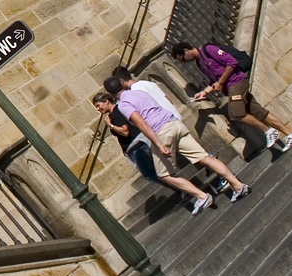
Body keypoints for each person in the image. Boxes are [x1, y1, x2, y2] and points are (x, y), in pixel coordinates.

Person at [104, 76, 251, 212]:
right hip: (173, 123)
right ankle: (238, 186)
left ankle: (202, 197)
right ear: (122, 83)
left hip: (161, 132)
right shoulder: (140, 92)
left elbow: (141, 123)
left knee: (164, 175)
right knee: (205, 157)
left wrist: (158, 144)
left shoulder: (124, 104)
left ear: (110, 94)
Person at [169, 41, 292, 151]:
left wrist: (221, 82)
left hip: (236, 82)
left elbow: (231, 62)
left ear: (186, 50)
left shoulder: (209, 50)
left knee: (236, 114)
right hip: (230, 87)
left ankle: (268, 131)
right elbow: (213, 80)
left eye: (183, 59)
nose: (185, 62)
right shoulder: (200, 62)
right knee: (259, 112)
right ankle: (291, 134)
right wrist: (204, 92)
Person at [92, 92, 166, 188]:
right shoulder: (120, 109)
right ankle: (180, 189)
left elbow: (125, 131)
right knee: (159, 171)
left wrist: (110, 125)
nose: (98, 109)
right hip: (141, 143)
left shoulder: (115, 113)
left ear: (106, 101)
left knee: (151, 175)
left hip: (137, 147)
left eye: (98, 105)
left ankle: (180, 190)